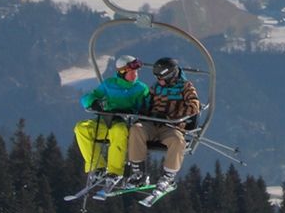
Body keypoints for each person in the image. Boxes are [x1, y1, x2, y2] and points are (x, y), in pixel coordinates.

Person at [126, 55, 198, 196]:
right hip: (151, 124)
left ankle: (168, 177)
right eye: (157, 77)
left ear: (171, 76)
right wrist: (143, 110)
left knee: (177, 141)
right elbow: (146, 101)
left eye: (161, 77)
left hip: (171, 126)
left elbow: (194, 106)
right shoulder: (156, 87)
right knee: (136, 130)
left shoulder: (186, 87)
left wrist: (171, 117)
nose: (158, 80)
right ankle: (138, 173)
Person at [74, 55, 149, 189]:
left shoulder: (141, 89)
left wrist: (141, 111)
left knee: (118, 131)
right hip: (107, 121)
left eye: (136, 72)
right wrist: (93, 102)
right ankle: (98, 167)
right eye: (131, 72)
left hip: (125, 123)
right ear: (122, 72)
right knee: (82, 128)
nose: (135, 75)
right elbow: (88, 97)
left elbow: (147, 107)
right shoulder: (109, 84)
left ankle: (115, 171)